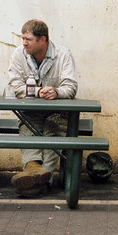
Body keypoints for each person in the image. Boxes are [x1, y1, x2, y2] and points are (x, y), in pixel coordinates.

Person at [7, 19, 77, 196]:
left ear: (42, 40)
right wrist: (37, 92)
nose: (24, 43)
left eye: (28, 39)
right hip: (30, 110)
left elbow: (71, 86)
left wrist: (57, 92)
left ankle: (36, 180)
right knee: (27, 127)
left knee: (51, 131)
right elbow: (15, 85)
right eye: (23, 38)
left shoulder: (63, 54)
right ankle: (36, 172)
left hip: (57, 111)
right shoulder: (18, 54)